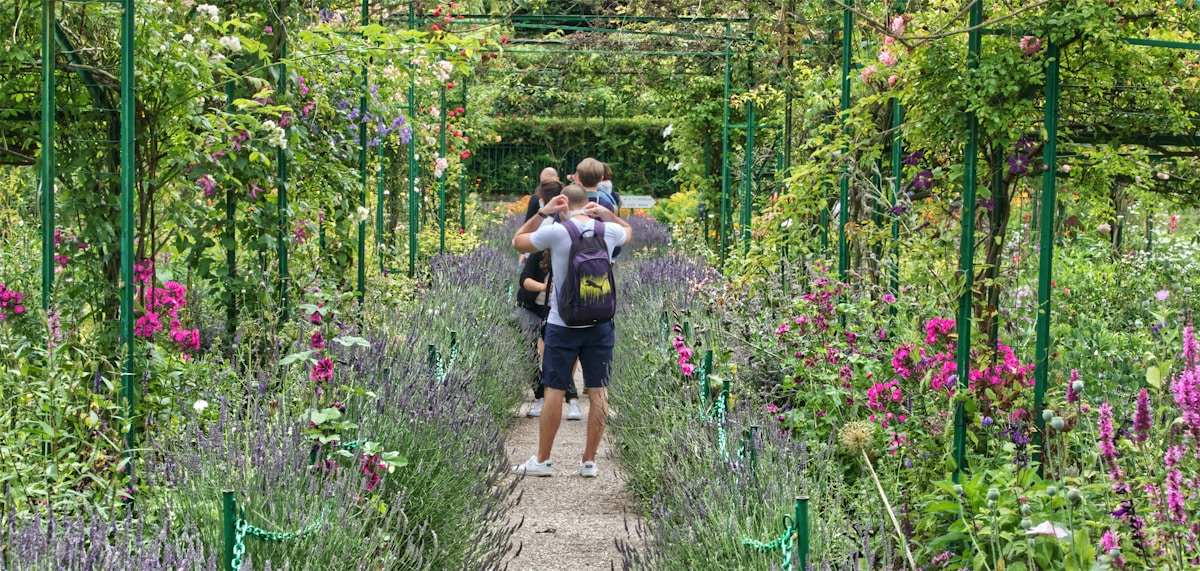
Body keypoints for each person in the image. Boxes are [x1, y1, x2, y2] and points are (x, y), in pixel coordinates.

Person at [510, 178, 633, 478]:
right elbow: (629, 232)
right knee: (598, 390)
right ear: (588, 204)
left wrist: (544, 212)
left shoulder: (557, 231)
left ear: (563, 204)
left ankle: (543, 460)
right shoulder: (609, 231)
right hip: (600, 320)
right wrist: (608, 215)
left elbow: (518, 241)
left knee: (554, 388)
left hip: (563, 322)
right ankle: (589, 461)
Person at [516, 245, 582, 421]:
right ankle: (540, 394)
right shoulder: (538, 254)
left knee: (556, 353)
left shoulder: (574, 258)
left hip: (557, 310)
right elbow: (524, 280)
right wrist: (544, 287)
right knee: (525, 349)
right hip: (530, 307)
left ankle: (572, 399)